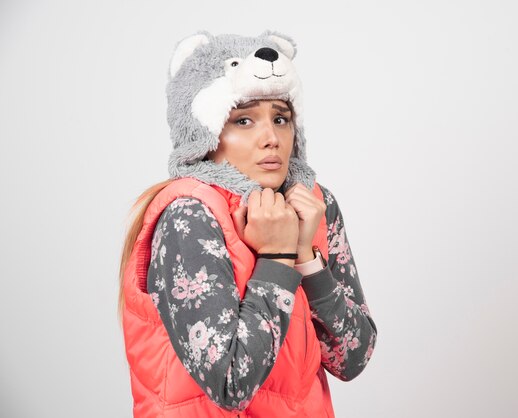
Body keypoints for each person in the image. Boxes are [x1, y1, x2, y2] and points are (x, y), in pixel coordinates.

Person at [119, 30, 377, 418]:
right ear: (205, 135)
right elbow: (230, 384)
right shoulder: (188, 215)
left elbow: (351, 360)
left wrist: (306, 256)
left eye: (281, 118)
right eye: (243, 120)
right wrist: (276, 256)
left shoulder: (315, 207)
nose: (271, 137)